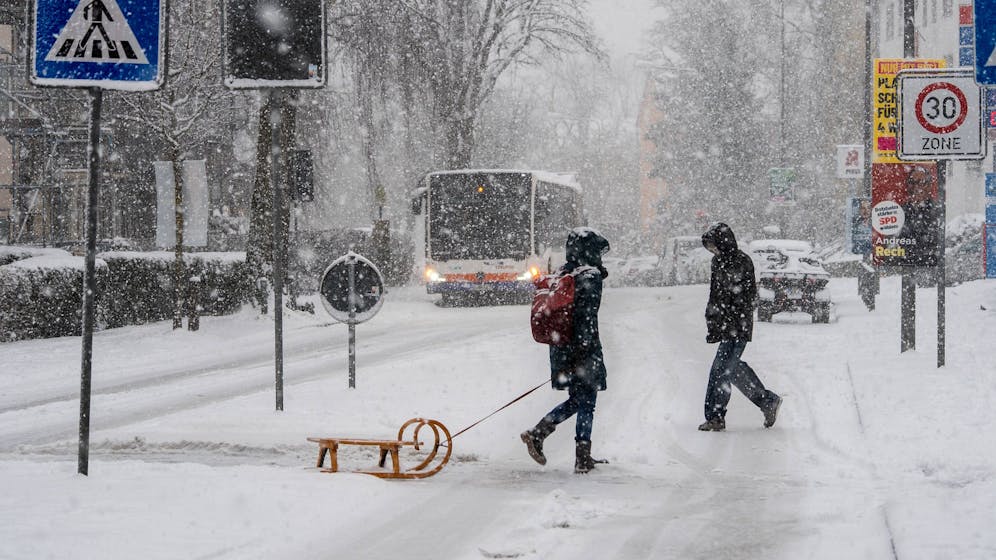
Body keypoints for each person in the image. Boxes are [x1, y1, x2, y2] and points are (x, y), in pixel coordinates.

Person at [521, 227, 610, 473]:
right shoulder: (590, 276)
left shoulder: (562, 273)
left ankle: (539, 433)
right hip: (582, 347)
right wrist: (584, 352)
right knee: (587, 401)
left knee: (577, 399)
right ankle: (581, 456)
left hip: (560, 346)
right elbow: (587, 318)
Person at [698, 222, 781, 432]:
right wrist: (713, 321)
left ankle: (716, 416)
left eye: (714, 246)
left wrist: (732, 317)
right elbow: (715, 295)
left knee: (720, 371)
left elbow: (748, 296)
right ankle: (767, 401)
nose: (713, 250)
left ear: (723, 242)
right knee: (731, 369)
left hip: (737, 325)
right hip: (727, 325)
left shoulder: (741, 261)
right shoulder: (717, 262)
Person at [897, 165, 939, 267]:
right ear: (908, 185)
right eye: (913, 182)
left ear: (929, 186)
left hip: (930, 263)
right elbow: (892, 243)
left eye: (921, 182)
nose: (916, 187)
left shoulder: (937, 211)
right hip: (904, 262)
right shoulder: (899, 211)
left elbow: (936, 242)